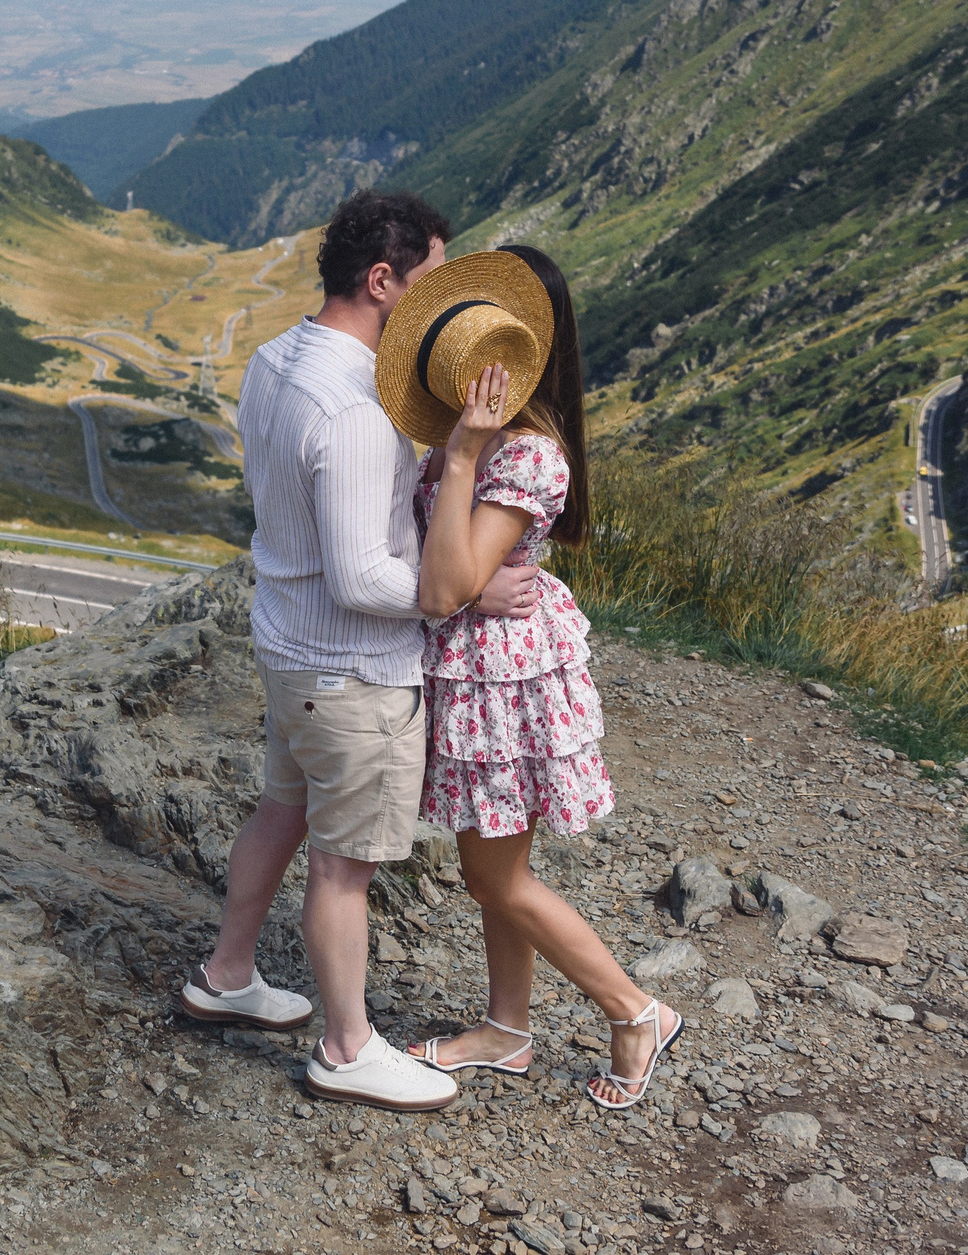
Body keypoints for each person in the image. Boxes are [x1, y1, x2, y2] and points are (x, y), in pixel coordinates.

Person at [182, 190, 539, 1113]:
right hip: (353, 671)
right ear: (382, 282)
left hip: (289, 650)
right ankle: (346, 1046)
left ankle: (227, 974)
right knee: (345, 867)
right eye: (429, 281)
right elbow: (359, 576)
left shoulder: (273, 360)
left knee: (280, 809)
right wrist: (453, 590)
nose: (443, 305)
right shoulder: (355, 411)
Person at [376, 243, 683, 1113]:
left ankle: (634, 1010)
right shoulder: (474, 437)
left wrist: (466, 461)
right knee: (492, 854)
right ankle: (507, 1026)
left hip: (499, 681)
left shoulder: (522, 455)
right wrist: (472, 573)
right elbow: (456, 574)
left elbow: (446, 584)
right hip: (481, 665)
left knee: (496, 876)